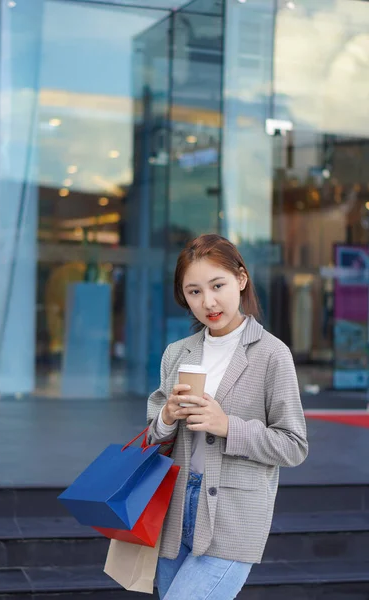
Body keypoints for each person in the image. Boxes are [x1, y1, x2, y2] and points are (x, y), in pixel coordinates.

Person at [146, 234, 308, 600]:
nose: (209, 302)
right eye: (194, 292)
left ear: (241, 279)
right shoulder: (178, 353)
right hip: (174, 511)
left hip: (233, 515)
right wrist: (167, 418)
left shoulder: (272, 354)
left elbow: (294, 446)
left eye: (217, 285)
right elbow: (153, 434)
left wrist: (228, 426)